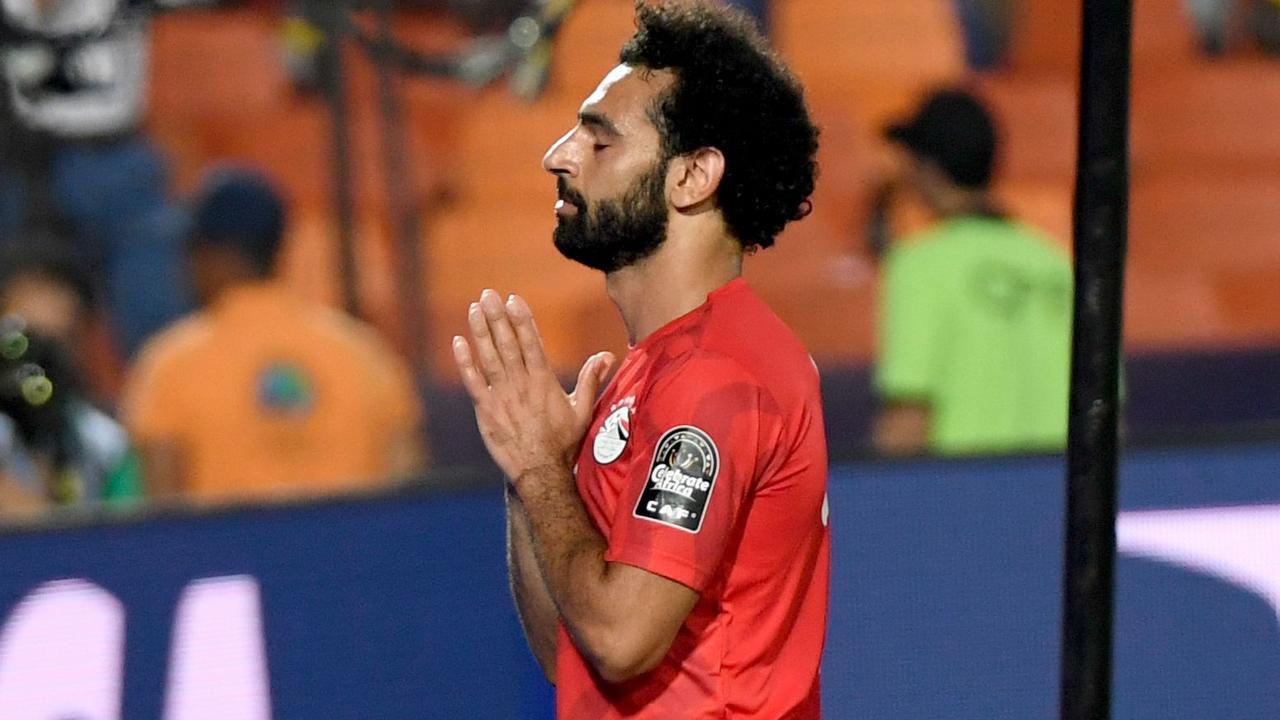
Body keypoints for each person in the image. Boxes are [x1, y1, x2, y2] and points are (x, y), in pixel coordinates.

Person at [452, 3, 828, 717]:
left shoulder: (717, 377)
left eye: (599, 141)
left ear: (693, 176)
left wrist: (539, 469)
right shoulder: (659, 367)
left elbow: (622, 636)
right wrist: (530, 475)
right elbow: (579, 657)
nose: (557, 156)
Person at [120, 165, 425, 503]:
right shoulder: (366, 354)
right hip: (354, 555)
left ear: (210, 256)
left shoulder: (170, 366)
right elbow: (406, 495)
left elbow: (164, 521)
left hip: (227, 556)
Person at [873, 88, 1072, 456]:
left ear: (927, 168)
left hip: (966, 496)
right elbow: (1107, 417)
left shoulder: (918, 265)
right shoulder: (1056, 265)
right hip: (1060, 499)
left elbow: (909, 419)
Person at [0, 242, 141, 512]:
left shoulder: (107, 445)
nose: (35, 374)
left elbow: (127, 542)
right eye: (23, 347)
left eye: (55, 348)